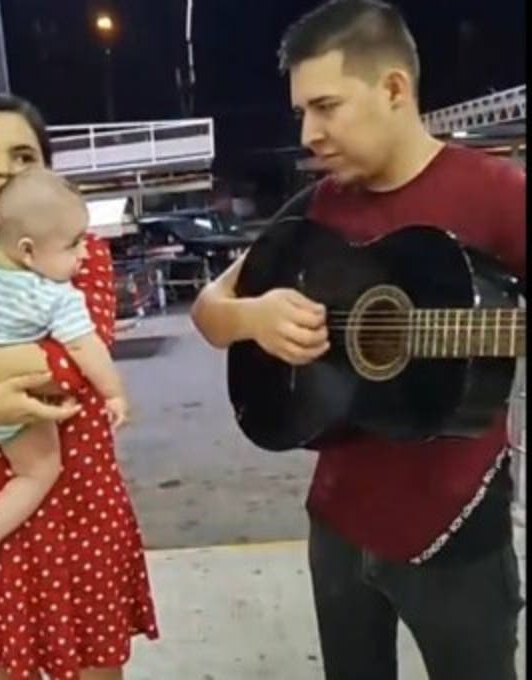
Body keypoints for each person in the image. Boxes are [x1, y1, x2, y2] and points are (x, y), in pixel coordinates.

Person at [190, 2, 526, 679]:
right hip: (337, 521)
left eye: (326, 106)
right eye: (301, 114)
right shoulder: (321, 206)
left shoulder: (497, 193)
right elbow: (208, 307)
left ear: (394, 89)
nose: (310, 134)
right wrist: (254, 320)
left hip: (455, 530)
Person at [0, 93, 158, 680]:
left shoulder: (81, 257)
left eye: (23, 156)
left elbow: (70, 366)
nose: (4, 168)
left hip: (80, 504)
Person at [0, 167, 129, 582]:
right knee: (41, 470)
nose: (82, 255)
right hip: (9, 414)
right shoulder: (54, 297)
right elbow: (84, 349)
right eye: (72, 245)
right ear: (28, 251)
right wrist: (113, 393)